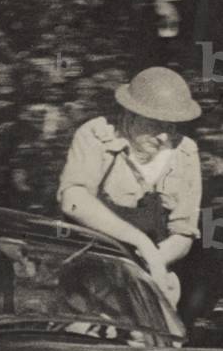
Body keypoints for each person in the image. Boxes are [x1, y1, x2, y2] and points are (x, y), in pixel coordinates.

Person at [58, 67, 203, 305]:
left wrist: (154, 261)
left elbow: (183, 232)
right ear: (130, 114)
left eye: (172, 127)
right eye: (156, 125)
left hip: (147, 284)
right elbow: (73, 201)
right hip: (87, 277)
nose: (164, 137)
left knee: (158, 340)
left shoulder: (185, 153)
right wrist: (141, 242)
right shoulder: (97, 135)